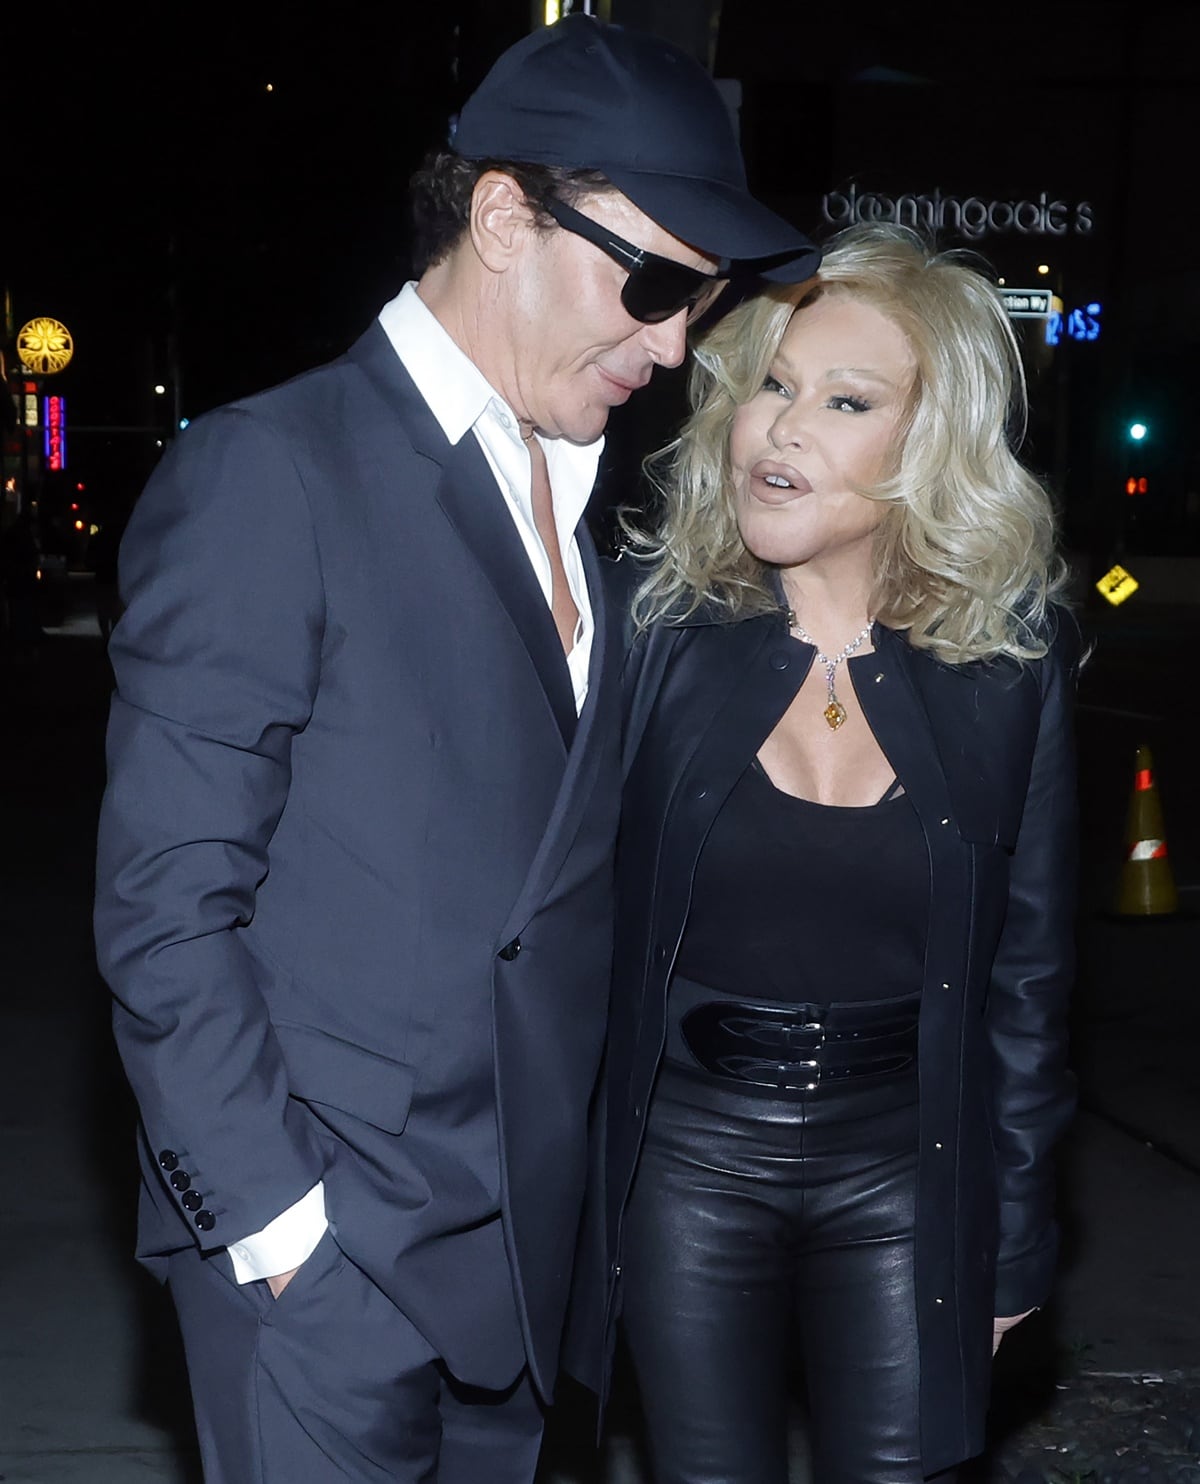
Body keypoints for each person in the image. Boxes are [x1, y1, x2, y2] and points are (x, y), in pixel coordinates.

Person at [93, 15, 819, 1484]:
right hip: (327, 1274)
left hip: (523, 1279)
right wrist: (282, 1238)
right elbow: (165, 903)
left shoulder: (587, 514)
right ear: (503, 215)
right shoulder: (270, 472)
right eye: (656, 280)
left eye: (706, 300)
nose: (677, 342)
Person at [571, 223, 1079, 1483]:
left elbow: (1028, 981)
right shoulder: (651, 630)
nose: (781, 428)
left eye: (846, 400)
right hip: (687, 1160)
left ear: (927, 446)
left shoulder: (1008, 668)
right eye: (772, 387)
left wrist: (1015, 1238)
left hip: (911, 1169)